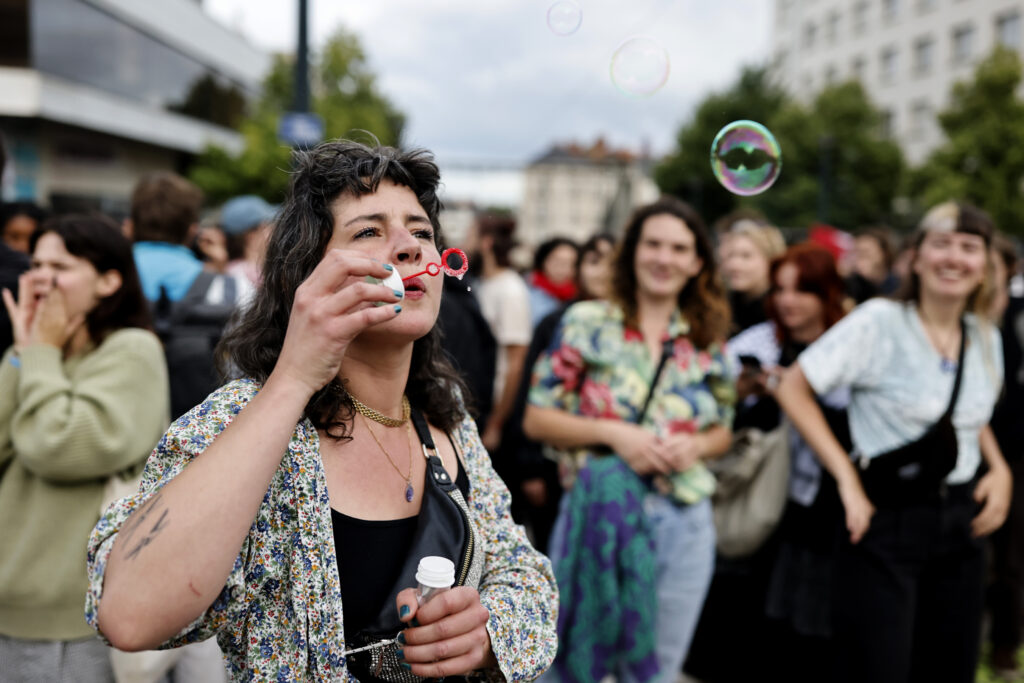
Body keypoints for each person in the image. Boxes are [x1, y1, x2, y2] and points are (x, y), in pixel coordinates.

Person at [86, 140, 558, 682]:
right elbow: (127, 615)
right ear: (305, 277)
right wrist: (295, 378)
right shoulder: (250, 414)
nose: (408, 247)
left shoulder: (444, 417)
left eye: (421, 232)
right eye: (369, 231)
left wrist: (487, 634)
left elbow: (526, 574)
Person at [776, 201, 1013, 683]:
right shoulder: (879, 321)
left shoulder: (984, 335)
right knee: (878, 669)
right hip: (885, 524)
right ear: (916, 256)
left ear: (985, 265)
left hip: (962, 527)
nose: (954, 258)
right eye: (941, 243)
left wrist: (1000, 469)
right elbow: (792, 387)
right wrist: (845, 477)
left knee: (949, 670)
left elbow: (970, 415)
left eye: (969, 247)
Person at [525, 198, 734, 682]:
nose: (665, 258)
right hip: (596, 512)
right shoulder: (586, 321)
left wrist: (697, 447)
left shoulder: (706, 337)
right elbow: (536, 418)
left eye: (679, 248)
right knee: (569, 660)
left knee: (656, 670)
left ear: (697, 261)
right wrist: (611, 434)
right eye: (653, 244)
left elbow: (723, 429)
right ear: (632, 252)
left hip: (683, 521)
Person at [0, 214, 168, 682]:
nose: (40, 278)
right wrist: (25, 350)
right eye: (35, 263)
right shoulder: (37, 352)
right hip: (10, 607)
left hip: (73, 618)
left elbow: (61, 445)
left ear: (109, 280)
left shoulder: (131, 350)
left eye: (61, 265)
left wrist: (37, 354)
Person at [685, 244, 850, 683]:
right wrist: (744, 393)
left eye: (803, 290)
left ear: (827, 293)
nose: (788, 301)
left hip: (821, 509)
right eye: (780, 289)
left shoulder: (847, 345)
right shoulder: (758, 341)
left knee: (808, 626)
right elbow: (711, 404)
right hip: (755, 499)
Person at [498, 233, 615, 552]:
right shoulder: (557, 322)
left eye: (611, 261)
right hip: (554, 467)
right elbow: (529, 396)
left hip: (609, 473)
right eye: (592, 261)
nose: (601, 271)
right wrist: (531, 466)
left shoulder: (630, 326)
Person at [128, 172, 243, 419]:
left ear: (131, 225)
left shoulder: (105, 276)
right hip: (193, 430)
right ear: (193, 231)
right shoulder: (227, 287)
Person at [465, 213, 532, 452]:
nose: (465, 243)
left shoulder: (510, 289)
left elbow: (515, 362)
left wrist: (496, 422)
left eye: (470, 235)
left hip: (491, 412)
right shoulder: (480, 283)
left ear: (486, 242)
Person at [720, 218, 786, 334]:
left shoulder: (782, 309)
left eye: (746, 256)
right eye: (730, 255)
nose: (734, 265)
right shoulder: (722, 306)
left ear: (770, 259)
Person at [218, 194, 276, 288]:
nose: (274, 230)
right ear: (252, 234)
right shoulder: (242, 277)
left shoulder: (231, 271)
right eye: (269, 224)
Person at [527, 237, 578, 327]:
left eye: (569, 263)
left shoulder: (579, 298)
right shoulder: (526, 294)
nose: (562, 268)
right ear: (543, 262)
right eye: (557, 261)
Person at [846, 226, 900, 304]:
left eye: (866, 252)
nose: (860, 258)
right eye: (856, 252)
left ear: (884, 254)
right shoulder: (852, 283)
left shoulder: (898, 286)